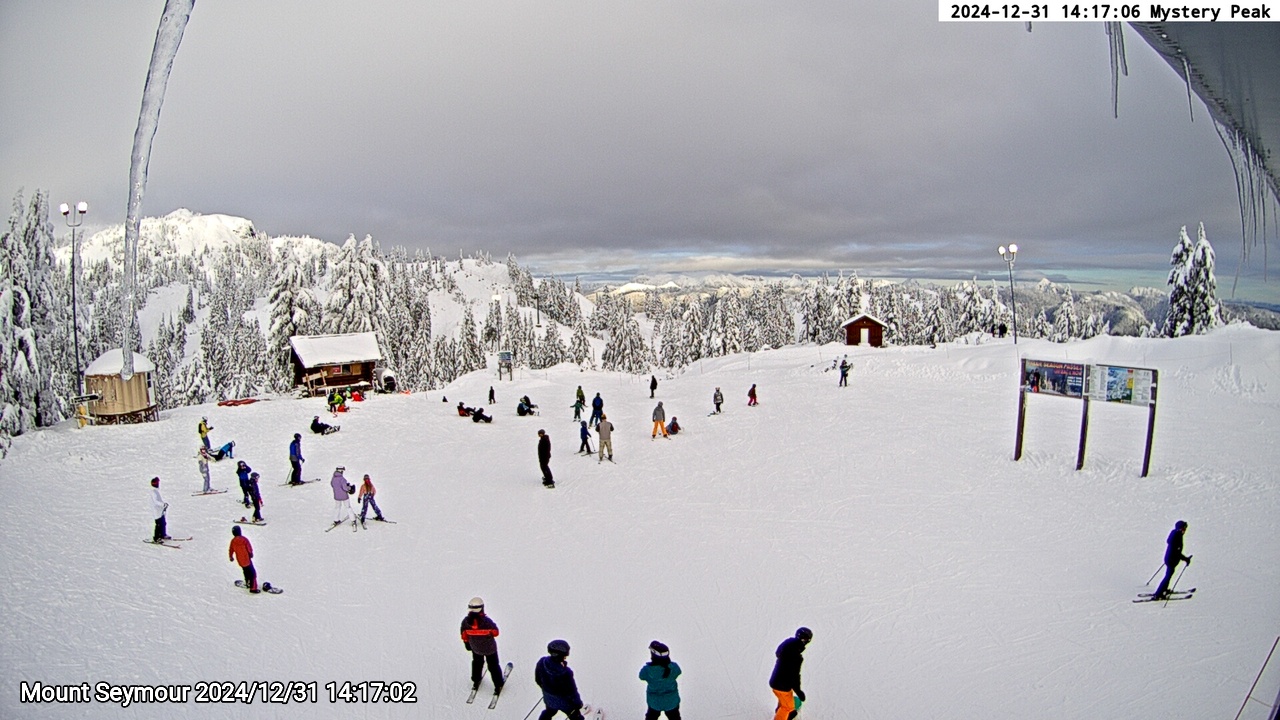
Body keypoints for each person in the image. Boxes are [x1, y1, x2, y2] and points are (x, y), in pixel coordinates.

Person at [461, 597, 505, 694]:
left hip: (475, 648)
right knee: (493, 666)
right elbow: (496, 632)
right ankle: (498, 684)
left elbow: (464, 635)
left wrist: (467, 644)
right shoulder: (486, 622)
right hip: (490, 649)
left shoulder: (465, 622)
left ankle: (476, 681)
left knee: (477, 663)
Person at [535, 639, 584, 720]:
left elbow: (538, 680)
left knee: (549, 712)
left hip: (549, 699)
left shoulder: (541, 662)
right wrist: (578, 704)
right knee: (576, 717)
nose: (565, 658)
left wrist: (547, 690)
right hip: (565, 703)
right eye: (565, 656)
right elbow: (572, 693)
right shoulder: (565, 673)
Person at [769, 627, 811, 720]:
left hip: (774, 681)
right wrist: (799, 692)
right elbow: (794, 677)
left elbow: (778, 652)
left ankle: (780, 711)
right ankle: (783, 714)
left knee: (783, 697)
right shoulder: (796, 658)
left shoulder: (787, 644)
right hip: (782, 686)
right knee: (787, 707)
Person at [639, 640, 682, 720]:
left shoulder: (647, 670)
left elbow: (641, 676)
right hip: (671, 701)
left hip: (654, 702)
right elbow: (678, 672)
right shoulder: (674, 668)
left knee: (651, 717)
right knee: (675, 717)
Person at [1153, 520, 1192, 599]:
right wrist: (1186, 559)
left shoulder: (1175, 534)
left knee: (1169, 575)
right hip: (1171, 560)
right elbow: (1177, 552)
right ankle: (1158, 594)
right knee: (1168, 576)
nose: (1184, 531)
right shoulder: (1177, 536)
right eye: (1183, 529)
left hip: (1169, 559)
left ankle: (1164, 590)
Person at [228, 525, 258, 593]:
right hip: (247, 559)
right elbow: (249, 548)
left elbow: (231, 550)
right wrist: (251, 553)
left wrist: (231, 557)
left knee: (245, 571)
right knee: (252, 573)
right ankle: (253, 588)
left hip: (240, 561)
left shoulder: (233, 541)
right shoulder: (244, 539)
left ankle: (247, 582)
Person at [149, 477, 170, 543]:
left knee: (163, 523)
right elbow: (156, 502)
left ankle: (163, 534)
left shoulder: (156, 491)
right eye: (158, 482)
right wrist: (163, 504)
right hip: (157, 511)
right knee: (158, 524)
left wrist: (163, 505)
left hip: (160, 511)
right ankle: (156, 538)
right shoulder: (153, 492)